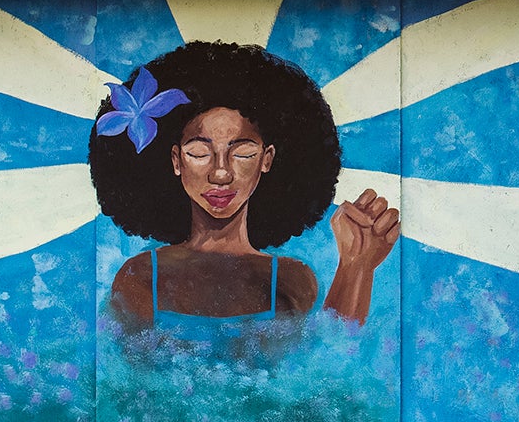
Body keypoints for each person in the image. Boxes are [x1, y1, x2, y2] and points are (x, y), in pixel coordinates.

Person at [88, 40, 399, 334]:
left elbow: (331, 367)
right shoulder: (140, 277)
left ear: (267, 159)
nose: (221, 173)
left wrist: (356, 266)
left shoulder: (293, 282)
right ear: (176, 161)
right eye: (199, 153)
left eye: (243, 153)